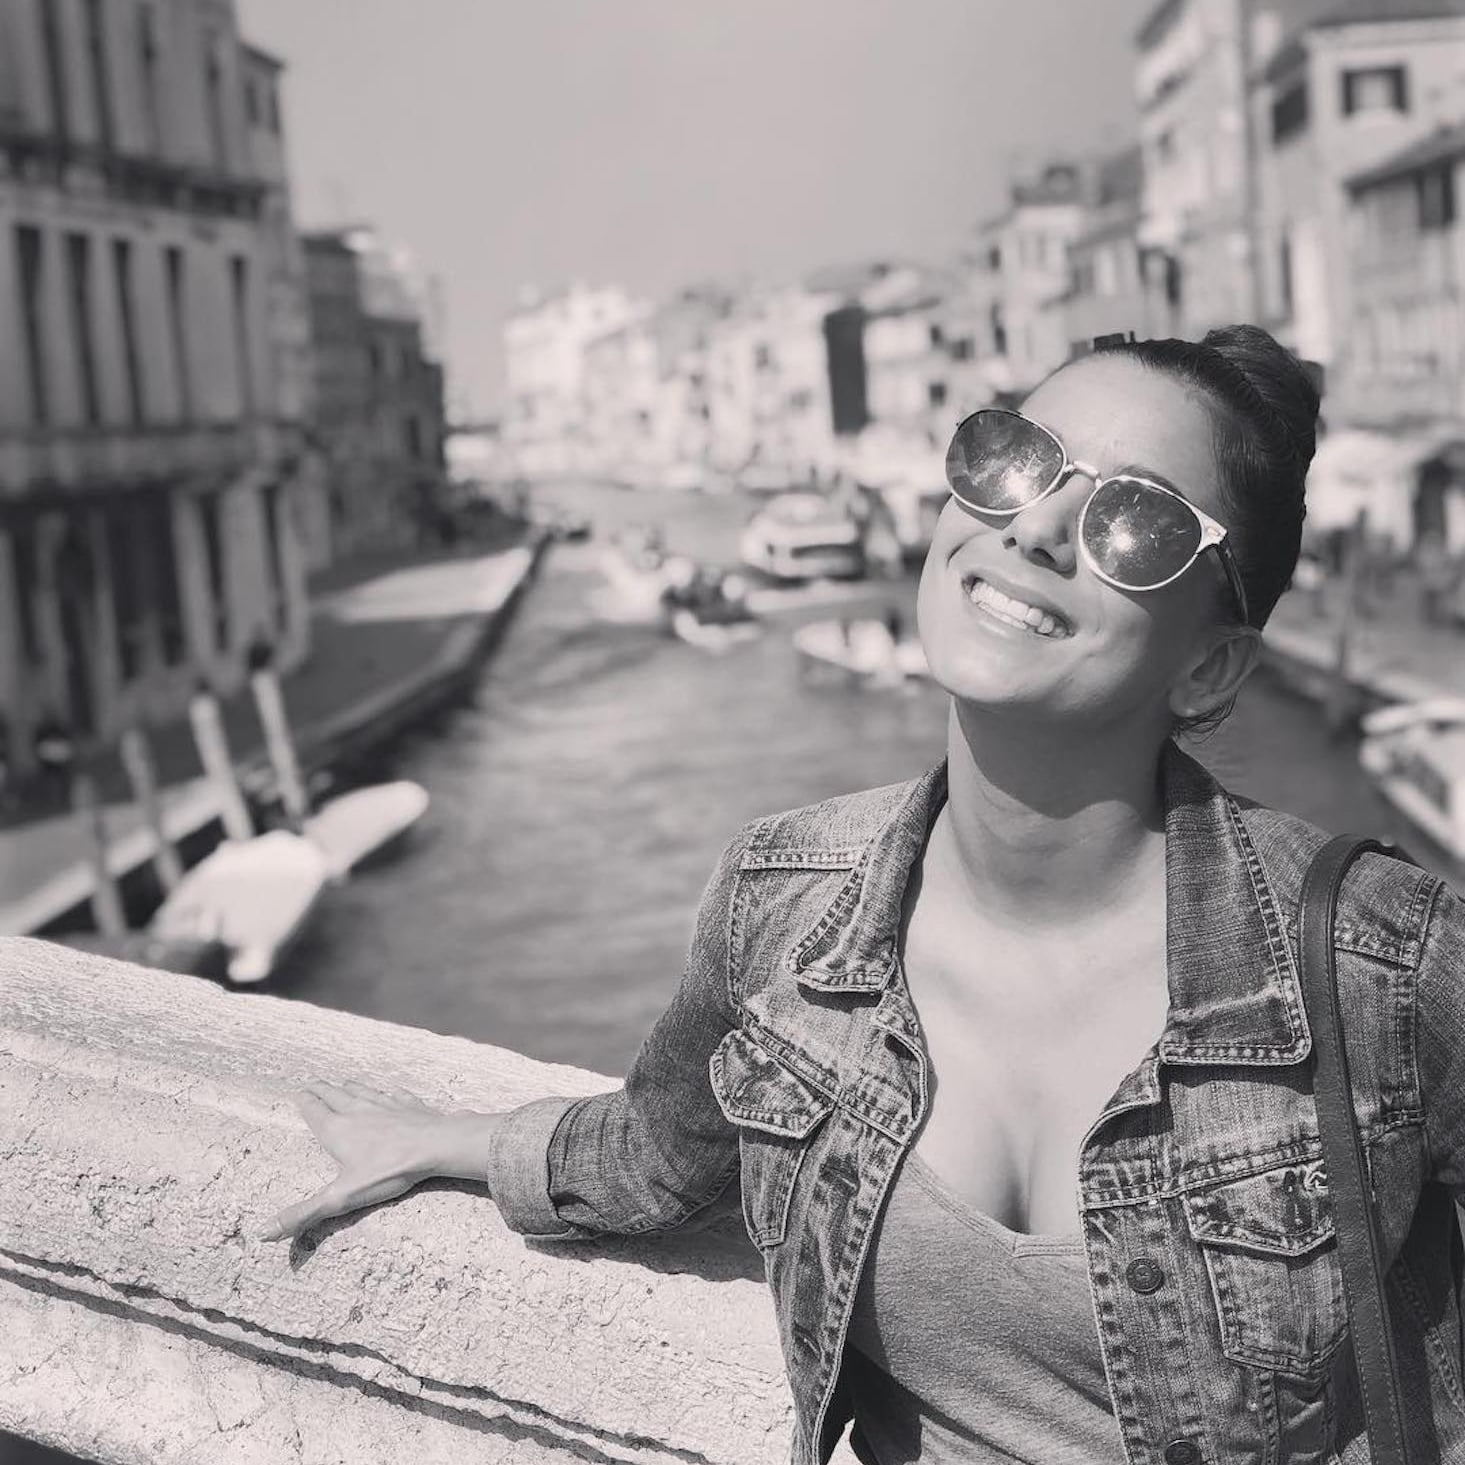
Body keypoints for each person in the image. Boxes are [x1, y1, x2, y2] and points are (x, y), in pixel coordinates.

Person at [263, 326, 1465, 1464]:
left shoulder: (1383, 963)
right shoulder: (783, 900)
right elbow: (664, 1149)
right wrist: (449, 1140)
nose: (1037, 529)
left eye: (1135, 522)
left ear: (1208, 665)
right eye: (1016, 460)